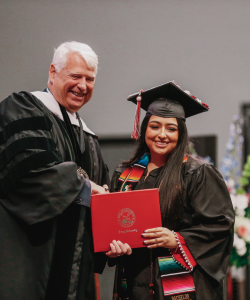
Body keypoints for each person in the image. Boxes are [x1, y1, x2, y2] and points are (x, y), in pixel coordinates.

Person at [0, 41, 110, 300]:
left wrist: (114, 238)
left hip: (77, 269)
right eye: (75, 76)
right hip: (33, 259)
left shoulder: (88, 137)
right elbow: (31, 172)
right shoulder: (22, 109)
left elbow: (102, 198)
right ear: (52, 72)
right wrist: (84, 187)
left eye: (90, 79)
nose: (83, 86)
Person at [106, 81, 234, 300]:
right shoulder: (125, 175)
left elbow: (221, 225)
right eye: (155, 126)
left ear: (180, 133)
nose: (162, 134)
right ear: (145, 127)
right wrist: (113, 246)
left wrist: (178, 239)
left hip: (179, 283)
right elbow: (116, 225)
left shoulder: (197, 173)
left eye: (171, 128)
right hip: (135, 280)